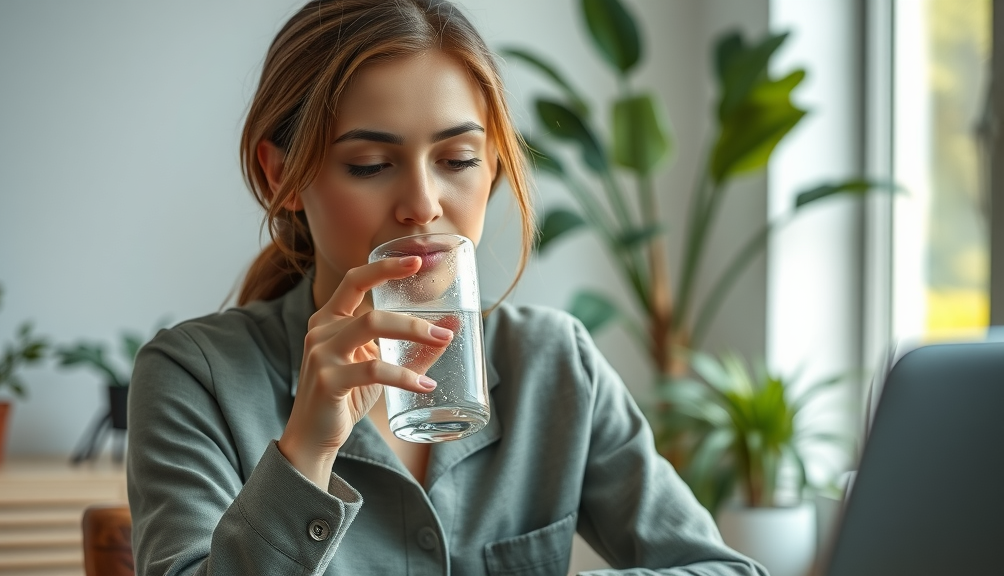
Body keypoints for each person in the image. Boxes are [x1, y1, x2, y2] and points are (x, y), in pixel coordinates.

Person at [126, 1, 768, 574]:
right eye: (370, 165)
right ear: (280, 178)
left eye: (458, 160)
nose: (423, 205)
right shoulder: (194, 379)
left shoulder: (554, 363)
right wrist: (304, 457)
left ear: (492, 166)